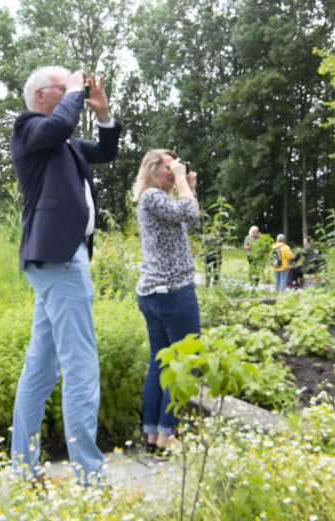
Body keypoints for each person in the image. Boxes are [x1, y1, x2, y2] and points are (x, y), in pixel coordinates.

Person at [9, 66, 121, 485]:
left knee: (40, 367)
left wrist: (103, 111)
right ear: (41, 95)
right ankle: (89, 481)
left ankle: (23, 468)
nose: (73, 92)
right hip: (60, 259)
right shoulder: (29, 127)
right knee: (81, 366)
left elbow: (107, 151)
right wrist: (76, 93)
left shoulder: (65, 142)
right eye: (64, 87)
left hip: (60, 259)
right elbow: (60, 125)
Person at [132, 149, 200, 454]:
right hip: (172, 292)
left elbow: (191, 221)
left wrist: (189, 188)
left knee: (160, 363)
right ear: (153, 170)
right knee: (184, 361)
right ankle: (167, 434)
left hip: (156, 293)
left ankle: (153, 435)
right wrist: (183, 181)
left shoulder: (158, 200)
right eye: (168, 167)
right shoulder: (152, 197)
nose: (174, 172)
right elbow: (189, 213)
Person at [201, 221, 223, 286]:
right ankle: (215, 286)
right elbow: (220, 247)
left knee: (208, 272)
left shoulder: (207, 236)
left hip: (208, 256)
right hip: (217, 257)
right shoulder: (219, 238)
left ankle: (207, 285)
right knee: (216, 273)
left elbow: (202, 246)